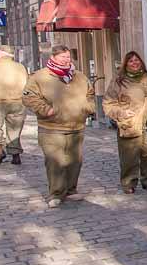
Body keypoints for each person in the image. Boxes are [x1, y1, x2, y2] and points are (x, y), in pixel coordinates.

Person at [22, 45, 95, 208]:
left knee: (75, 160)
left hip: (76, 126)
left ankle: (71, 189)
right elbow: (28, 97)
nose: (66, 60)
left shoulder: (79, 76)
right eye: (62, 57)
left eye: (68, 57)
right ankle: (56, 193)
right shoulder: (40, 77)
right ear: (53, 58)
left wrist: (88, 107)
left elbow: (90, 93)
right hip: (51, 127)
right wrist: (45, 109)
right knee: (56, 161)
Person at [102, 51, 147, 194]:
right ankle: (129, 183)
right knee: (129, 156)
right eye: (131, 61)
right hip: (130, 123)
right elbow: (108, 103)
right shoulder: (119, 80)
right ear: (126, 64)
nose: (135, 63)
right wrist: (121, 113)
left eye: (137, 60)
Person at [0, 46, 28, 165]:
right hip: (17, 101)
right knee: (15, 128)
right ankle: (15, 154)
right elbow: (27, 84)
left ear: (0, 53)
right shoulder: (20, 67)